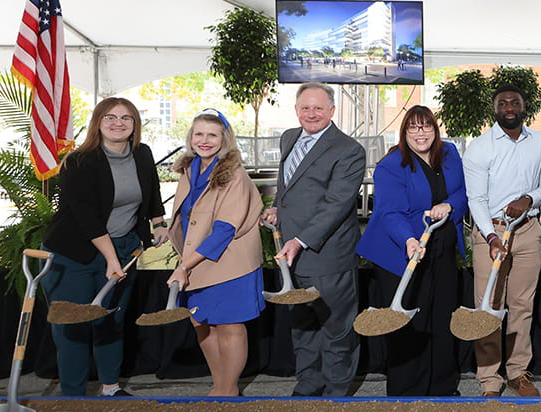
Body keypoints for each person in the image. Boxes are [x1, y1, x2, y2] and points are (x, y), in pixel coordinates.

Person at [41, 97, 167, 396]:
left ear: (135, 124)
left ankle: (110, 387)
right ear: (98, 121)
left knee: (111, 318)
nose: (118, 123)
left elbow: (152, 192)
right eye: (110, 117)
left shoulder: (142, 154)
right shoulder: (79, 161)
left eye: (126, 118)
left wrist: (158, 222)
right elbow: (87, 220)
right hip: (75, 254)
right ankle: (73, 395)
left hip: (124, 248)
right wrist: (110, 259)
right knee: (74, 324)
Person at [263, 82, 367, 397]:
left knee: (336, 327)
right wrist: (277, 208)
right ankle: (308, 384)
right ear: (296, 110)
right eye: (305, 108)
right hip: (291, 254)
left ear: (332, 111)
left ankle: (337, 391)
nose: (312, 114)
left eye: (319, 108)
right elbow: (289, 184)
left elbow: (337, 204)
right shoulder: (288, 138)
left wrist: (300, 240)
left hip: (328, 254)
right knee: (302, 324)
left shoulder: (349, 150)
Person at [355, 105, 467, 396]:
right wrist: (409, 240)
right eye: (413, 127)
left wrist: (450, 205)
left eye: (426, 126)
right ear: (404, 132)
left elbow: (462, 193)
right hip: (402, 249)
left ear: (435, 129)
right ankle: (408, 392)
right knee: (409, 322)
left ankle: (441, 387)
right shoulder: (391, 165)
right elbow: (389, 212)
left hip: (442, 246)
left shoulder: (450, 154)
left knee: (442, 316)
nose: (421, 133)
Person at [462, 84, 541, 397]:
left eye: (515, 101)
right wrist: (490, 236)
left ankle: (518, 373)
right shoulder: (479, 147)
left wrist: (529, 198)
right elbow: (475, 199)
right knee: (488, 306)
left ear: (524, 106)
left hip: (528, 232)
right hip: (491, 233)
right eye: (503, 102)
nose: (509, 106)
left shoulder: (540, 142)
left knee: (522, 306)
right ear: (495, 108)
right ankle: (490, 379)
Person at [165, 109, 266, 396]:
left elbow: (224, 230)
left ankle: (228, 389)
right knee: (201, 323)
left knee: (229, 326)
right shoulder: (189, 169)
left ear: (225, 139)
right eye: (199, 134)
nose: (204, 140)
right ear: (190, 137)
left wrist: (184, 266)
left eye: (212, 135)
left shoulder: (234, 174)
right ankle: (219, 385)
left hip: (229, 262)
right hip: (196, 260)